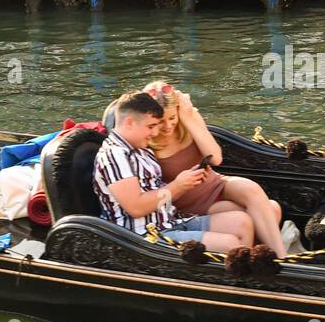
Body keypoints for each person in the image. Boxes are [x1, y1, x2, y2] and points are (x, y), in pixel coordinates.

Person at [93, 91, 254, 251]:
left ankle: (249, 273)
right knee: (230, 244)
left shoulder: (142, 150)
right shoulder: (114, 155)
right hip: (146, 236)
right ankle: (238, 272)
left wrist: (189, 180)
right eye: (151, 126)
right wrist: (178, 185)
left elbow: (157, 190)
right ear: (129, 123)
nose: (155, 133)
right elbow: (136, 207)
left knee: (242, 222)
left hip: (170, 221)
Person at [142, 82, 285, 255]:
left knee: (253, 191)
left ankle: (280, 258)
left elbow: (215, 157)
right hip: (190, 205)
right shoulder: (146, 138)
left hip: (215, 183)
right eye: (161, 121)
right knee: (270, 210)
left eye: (172, 118)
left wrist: (188, 118)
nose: (168, 126)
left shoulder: (188, 118)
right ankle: (254, 259)